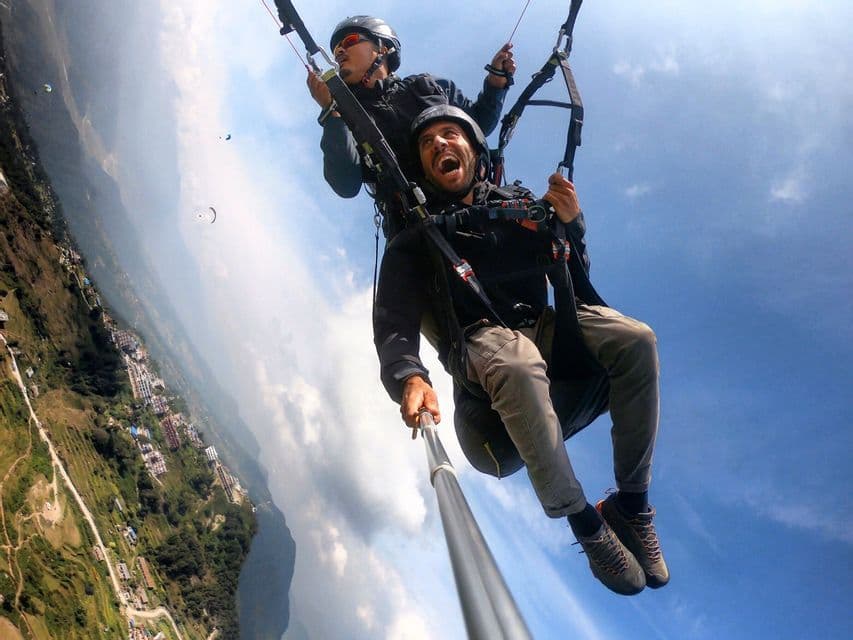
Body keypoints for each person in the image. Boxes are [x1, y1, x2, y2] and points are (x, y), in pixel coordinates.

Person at [372, 105, 670, 595]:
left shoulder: (521, 208)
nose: (441, 146)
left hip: (546, 331)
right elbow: (394, 318)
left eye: (450, 135)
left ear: (473, 149)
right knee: (515, 358)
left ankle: (632, 504)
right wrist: (410, 375)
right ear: (423, 169)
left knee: (636, 339)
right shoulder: (413, 241)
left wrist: (571, 229)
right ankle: (584, 523)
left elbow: (572, 284)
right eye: (428, 145)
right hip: (480, 346)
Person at [305, 15, 515, 237]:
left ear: (383, 49)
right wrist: (331, 113)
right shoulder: (345, 118)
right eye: (336, 49)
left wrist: (495, 82)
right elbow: (345, 185)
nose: (338, 52)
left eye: (349, 41)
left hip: (475, 206)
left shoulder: (427, 86)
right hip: (418, 235)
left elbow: (478, 124)